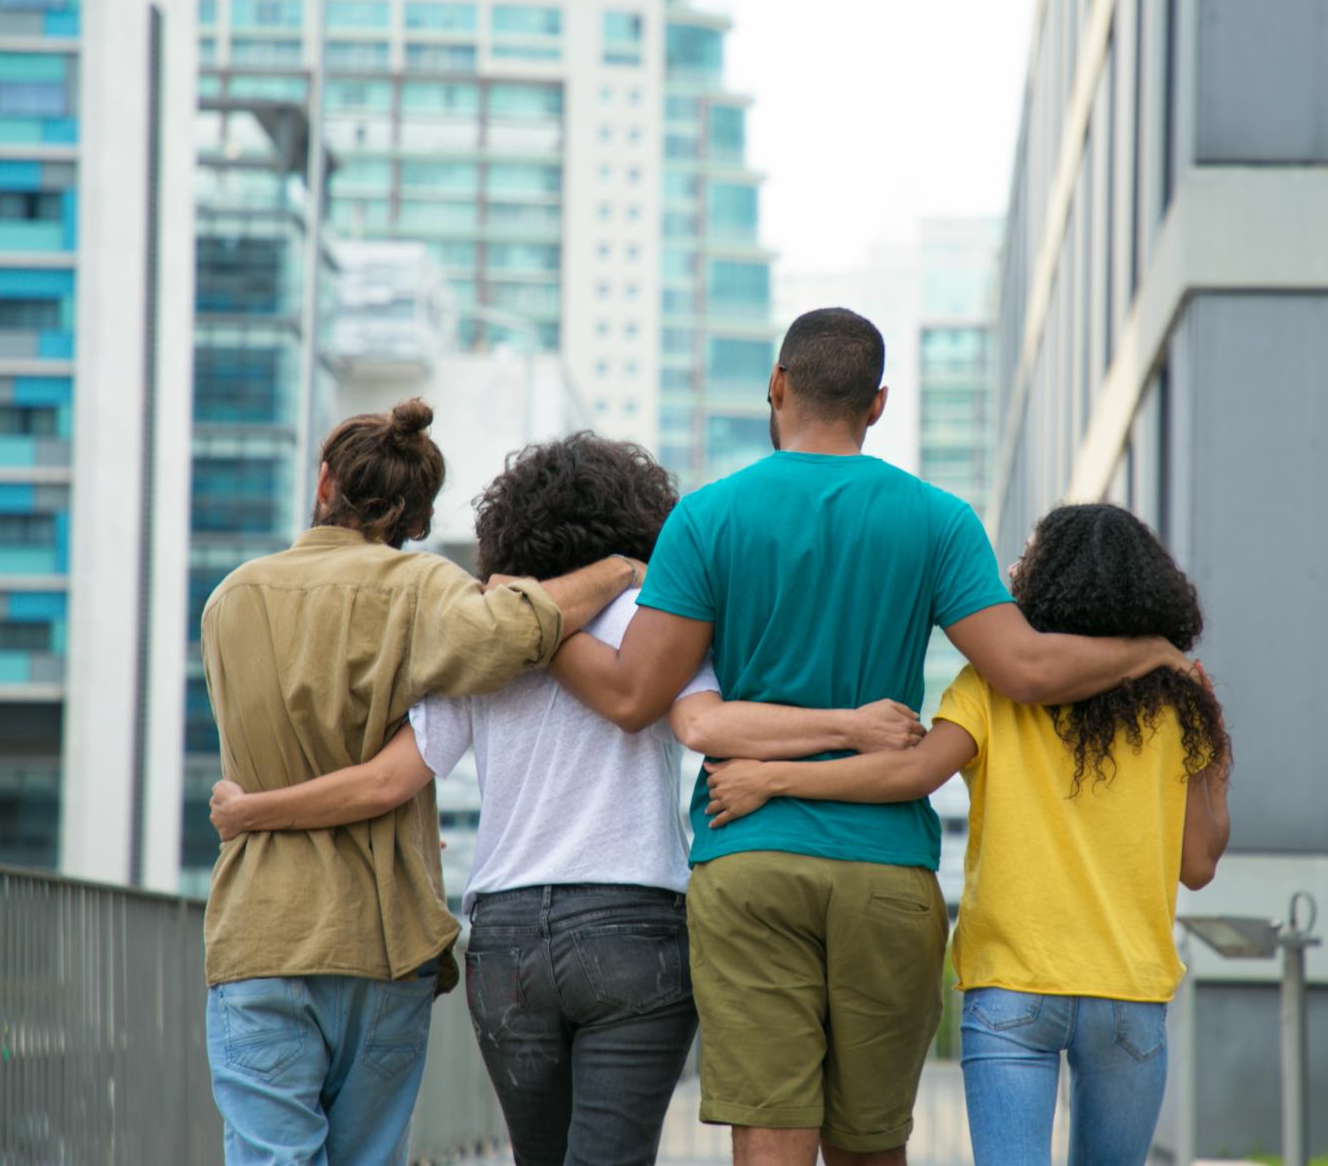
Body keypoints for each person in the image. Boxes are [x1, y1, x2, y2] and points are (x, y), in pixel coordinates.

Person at [546, 309, 1191, 1166]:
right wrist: (1149, 649)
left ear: (776, 385)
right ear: (878, 403)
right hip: (888, 873)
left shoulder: (706, 519)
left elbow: (633, 696)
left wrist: (537, 631)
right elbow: (1028, 670)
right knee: (869, 1145)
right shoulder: (938, 520)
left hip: (750, 856)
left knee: (772, 1139)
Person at [207, 432, 928, 1166]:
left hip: (506, 936)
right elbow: (709, 721)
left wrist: (252, 811)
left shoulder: (486, 636)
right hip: (636, 921)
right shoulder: (658, 618)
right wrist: (850, 728)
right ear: (641, 520)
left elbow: (392, 780)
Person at [702, 503, 1233, 1166]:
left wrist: (776, 779)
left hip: (1012, 986)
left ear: (1047, 584)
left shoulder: (992, 686)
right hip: (1129, 994)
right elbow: (1200, 863)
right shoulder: (1177, 698)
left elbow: (911, 773)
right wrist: (1214, 751)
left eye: (1028, 559)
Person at [200, 401, 644, 1166]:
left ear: (325, 481)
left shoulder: (228, 601)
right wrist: (617, 569)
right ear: (413, 514)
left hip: (260, 932)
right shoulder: (421, 589)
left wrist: (249, 811)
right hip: (381, 938)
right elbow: (514, 629)